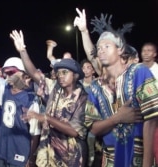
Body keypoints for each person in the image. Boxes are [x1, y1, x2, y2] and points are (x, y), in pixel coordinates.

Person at [74, 8, 158, 167]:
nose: (101, 51)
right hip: (111, 159)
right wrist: (117, 118)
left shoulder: (139, 72)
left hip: (138, 157)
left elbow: (152, 119)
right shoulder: (95, 87)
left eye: (106, 46)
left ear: (120, 50)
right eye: (99, 48)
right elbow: (93, 128)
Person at [10, 29, 88, 167]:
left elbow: (74, 131)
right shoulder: (54, 87)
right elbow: (33, 73)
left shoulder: (83, 98)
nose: (60, 75)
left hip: (68, 159)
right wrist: (22, 50)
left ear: (75, 75)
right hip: (47, 155)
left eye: (65, 72)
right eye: (58, 72)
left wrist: (46, 118)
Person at [0, 29, 40, 167]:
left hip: (20, 154)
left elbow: (35, 134)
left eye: (11, 72)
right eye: (5, 72)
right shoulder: (4, 90)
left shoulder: (31, 100)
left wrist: (31, 158)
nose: (7, 75)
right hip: (2, 151)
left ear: (25, 75)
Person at [140, 42, 158, 166]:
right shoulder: (137, 69)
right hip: (139, 115)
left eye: (149, 50)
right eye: (144, 50)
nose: (146, 53)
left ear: (155, 54)